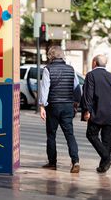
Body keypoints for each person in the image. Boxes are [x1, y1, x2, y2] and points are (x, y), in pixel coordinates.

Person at [39, 45, 81, 173]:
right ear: (62, 55)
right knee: (70, 134)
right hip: (68, 106)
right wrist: (76, 102)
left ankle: (52, 163)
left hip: (53, 106)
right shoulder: (71, 69)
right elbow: (77, 88)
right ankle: (75, 161)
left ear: (51, 56)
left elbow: (45, 88)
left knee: (51, 135)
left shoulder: (48, 69)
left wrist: (42, 105)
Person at [81, 54, 111, 173]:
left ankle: (107, 158)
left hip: (96, 113)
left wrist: (86, 110)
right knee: (106, 140)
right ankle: (103, 166)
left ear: (94, 62)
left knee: (91, 135)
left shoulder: (91, 75)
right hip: (110, 113)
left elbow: (88, 94)